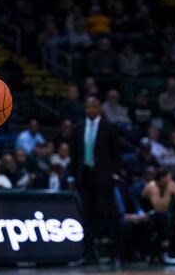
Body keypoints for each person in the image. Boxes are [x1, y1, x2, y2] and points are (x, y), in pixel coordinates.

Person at [68, 96, 121, 265]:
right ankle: (88, 255)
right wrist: (72, 176)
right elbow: (74, 155)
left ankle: (117, 254)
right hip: (85, 176)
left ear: (99, 109)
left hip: (104, 177)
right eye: (88, 106)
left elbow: (116, 154)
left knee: (111, 215)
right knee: (87, 217)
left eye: (94, 106)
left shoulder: (109, 128)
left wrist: (115, 174)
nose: (91, 109)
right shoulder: (78, 128)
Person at [142, 169, 175, 265]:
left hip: (165, 215)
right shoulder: (152, 186)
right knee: (162, 217)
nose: (169, 182)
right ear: (159, 179)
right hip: (147, 216)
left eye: (170, 179)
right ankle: (164, 252)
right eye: (166, 180)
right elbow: (159, 208)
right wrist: (168, 192)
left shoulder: (172, 185)